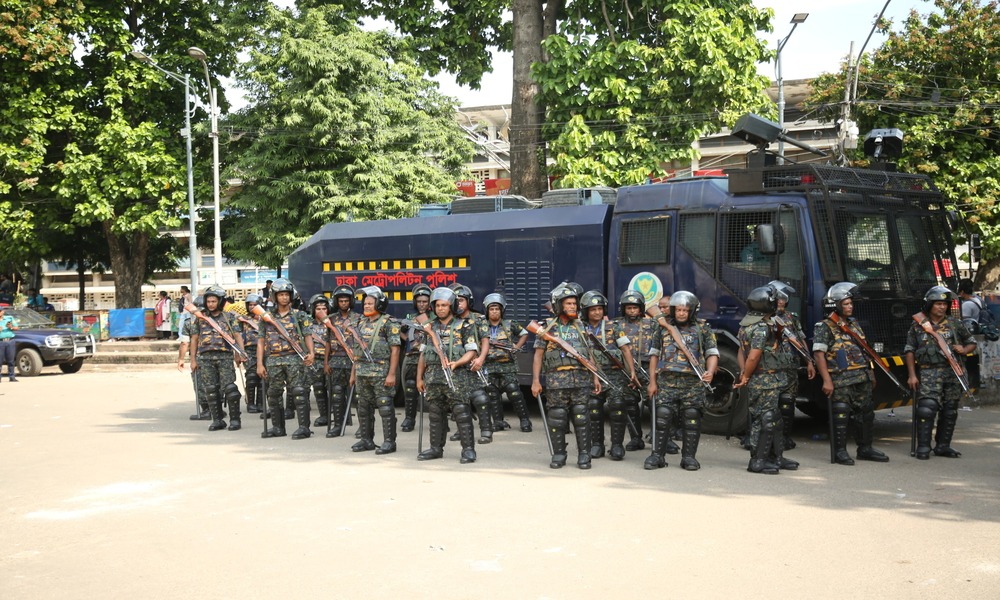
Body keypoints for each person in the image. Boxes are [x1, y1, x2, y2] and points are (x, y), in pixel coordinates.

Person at [812, 282, 890, 465]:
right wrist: (826, 380)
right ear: (835, 305)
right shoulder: (824, 326)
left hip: (861, 375)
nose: (850, 307)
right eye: (846, 304)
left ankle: (865, 448)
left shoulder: (854, 324)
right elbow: (818, 354)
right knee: (841, 414)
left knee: (866, 413)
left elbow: (864, 349)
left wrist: (871, 372)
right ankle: (840, 452)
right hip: (840, 378)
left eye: (851, 304)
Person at [645, 291, 717, 471]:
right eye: (678, 310)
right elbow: (654, 356)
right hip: (667, 381)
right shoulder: (662, 327)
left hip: (693, 384)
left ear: (692, 311)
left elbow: (712, 353)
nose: (682, 313)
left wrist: (710, 371)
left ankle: (689, 458)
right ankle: (657, 456)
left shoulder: (703, 328)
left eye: (685, 310)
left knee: (692, 419)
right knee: (662, 418)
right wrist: (652, 382)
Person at [531, 284, 600, 470]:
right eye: (568, 303)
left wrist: (596, 376)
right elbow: (538, 355)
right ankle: (559, 453)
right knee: (557, 417)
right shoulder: (546, 328)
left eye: (574, 304)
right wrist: (536, 381)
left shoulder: (581, 326)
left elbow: (589, 353)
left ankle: (584, 455)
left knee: (581, 418)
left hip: (581, 380)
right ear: (559, 305)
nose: (573, 307)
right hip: (556, 382)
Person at [905, 286, 976, 460]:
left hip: (953, 373)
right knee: (926, 409)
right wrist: (912, 375)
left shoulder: (955, 324)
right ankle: (923, 446)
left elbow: (972, 342)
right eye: (938, 304)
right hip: (929, 373)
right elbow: (909, 350)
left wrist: (964, 349)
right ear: (930, 305)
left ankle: (943, 446)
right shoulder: (918, 325)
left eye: (945, 304)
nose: (942, 307)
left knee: (950, 410)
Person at [735, 286, 798, 474]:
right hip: (764, 380)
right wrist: (746, 375)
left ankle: (775, 457)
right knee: (765, 419)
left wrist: (743, 372)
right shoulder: (761, 327)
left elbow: (741, 351)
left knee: (774, 418)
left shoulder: (747, 324)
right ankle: (758, 460)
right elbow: (753, 356)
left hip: (770, 378)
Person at [416, 287, 479, 464]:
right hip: (433, 376)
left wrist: (457, 363)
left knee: (461, 412)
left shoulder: (465, 325)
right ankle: (436, 448)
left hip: (456, 376)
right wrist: (419, 378)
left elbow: (472, 351)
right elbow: (423, 353)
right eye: (437, 305)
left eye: (444, 305)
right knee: (435, 413)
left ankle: (468, 450)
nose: (440, 309)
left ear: (451, 306)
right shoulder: (429, 326)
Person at [580, 290, 636, 459]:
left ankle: (617, 445)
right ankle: (597, 445)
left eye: (599, 309)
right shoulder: (580, 328)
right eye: (592, 309)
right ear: (586, 311)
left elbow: (625, 349)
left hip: (614, 374)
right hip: (591, 375)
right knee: (594, 409)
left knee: (618, 407)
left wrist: (631, 371)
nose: (597, 312)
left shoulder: (613, 327)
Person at [258, 278, 315, 439]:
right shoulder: (265, 317)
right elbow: (261, 341)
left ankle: (304, 427)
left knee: (299, 392)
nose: (284, 298)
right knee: (274, 393)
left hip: (294, 359)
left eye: (286, 294)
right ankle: (277, 428)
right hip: (273, 360)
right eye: (280, 295)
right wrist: (260, 364)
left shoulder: (299, 315)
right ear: (274, 296)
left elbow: (308, 335)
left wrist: (311, 353)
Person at [349, 287, 402, 454]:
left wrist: (392, 374)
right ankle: (366, 440)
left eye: (370, 303)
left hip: (381, 372)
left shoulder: (389, 322)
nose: (366, 306)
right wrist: (353, 373)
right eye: (365, 304)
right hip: (362, 371)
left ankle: (389, 442)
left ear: (379, 304)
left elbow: (395, 350)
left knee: (385, 407)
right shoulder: (360, 323)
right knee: (363, 407)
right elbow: (356, 352)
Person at [189, 285, 245, 432]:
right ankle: (217, 420)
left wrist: (240, 354)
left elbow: (237, 336)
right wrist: (193, 360)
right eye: (209, 301)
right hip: (205, 358)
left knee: (230, 389)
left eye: (214, 301)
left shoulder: (229, 317)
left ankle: (234, 420)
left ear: (220, 301)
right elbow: (194, 339)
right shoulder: (201, 318)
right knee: (211, 390)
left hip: (225, 356)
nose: (211, 304)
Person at [768, 280, 816, 450]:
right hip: (771, 370)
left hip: (790, 368)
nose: (781, 302)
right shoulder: (764, 318)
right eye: (778, 298)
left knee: (788, 404)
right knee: (769, 405)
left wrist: (809, 361)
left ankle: (785, 437)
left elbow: (800, 339)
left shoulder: (791, 317)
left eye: (784, 299)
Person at [612, 290, 657, 456]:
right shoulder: (616, 325)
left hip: (647, 367)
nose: (632, 311)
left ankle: (660, 438)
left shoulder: (651, 324)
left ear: (641, 309)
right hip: (626, 370)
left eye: (635, 308)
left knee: (654, 404)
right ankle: (635, 437)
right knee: (629, 404)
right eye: (628, 308)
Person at [482, 293, 533, 432]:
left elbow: (524, 333)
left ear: (502, 310)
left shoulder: (509, 324)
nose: (494, 312)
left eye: (497, 309)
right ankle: (498, 422)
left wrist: (516, 347)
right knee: (492, 394)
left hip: (507, 366)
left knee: (514, 392)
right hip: (489, 366)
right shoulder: (481, 326)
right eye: (491, 309)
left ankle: (525, 421)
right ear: (487, 310)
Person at [454, 284, 494, 443]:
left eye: (461, 301)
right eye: (456, 301)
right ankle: (461, 430)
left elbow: (485, 341)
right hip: (457, 365)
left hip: (474, 364)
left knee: (480, 398)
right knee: (458, 399)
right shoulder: (451, 321)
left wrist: (481, 359)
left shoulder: (478, 319)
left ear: (468, 302)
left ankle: (486, 430)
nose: (459, 304)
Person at [324, 284, 359, 437]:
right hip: (336, 361)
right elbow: (326, 342)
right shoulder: (330, 320)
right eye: (341, 301)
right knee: (337, 394)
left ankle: (363, 427)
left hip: (353, 361)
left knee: (359, 396)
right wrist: (326, 362)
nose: (343, 303)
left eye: (346, 301)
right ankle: (338, 425)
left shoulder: (359, 319)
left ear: (351, 301)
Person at [399, 284, 431, 432]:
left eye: (425, 301)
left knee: (436, 390)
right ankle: (409, 419)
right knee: (411, 388)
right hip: (412, 356)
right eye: (419, 302)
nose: (422, 304)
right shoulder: (409, 317)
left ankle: (440, 422)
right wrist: (408, 339)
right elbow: (398, 331)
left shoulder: (435, 317)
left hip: (431, 358)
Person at [178, 296, 210, 420]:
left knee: (200, 384)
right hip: (216, 356)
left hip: (198, 358)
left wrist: (181, 359)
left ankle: (206, 410)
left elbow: (185, 342)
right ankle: (217, 410)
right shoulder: (215, 320)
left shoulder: (189, 323)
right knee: (214, 383)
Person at [305, 294, 332, 428]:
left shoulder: (333, 323)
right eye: (318, 309)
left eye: (324, 308)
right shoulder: (308, 323)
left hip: (331, 360)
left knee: (336, 390)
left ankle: (341, 417)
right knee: (319, 389)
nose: (321, 311)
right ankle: (324, 416)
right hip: (315, 360)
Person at [240, 294, 264, 414]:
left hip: (264, 350)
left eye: (255, 305)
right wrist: (239, 352)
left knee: (262, 378)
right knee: (251, 377)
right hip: (249, 350)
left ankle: (261, 403)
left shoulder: (265, 319)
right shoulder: (242, 319)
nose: (252, 307)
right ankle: (251, 403)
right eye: (250, 305)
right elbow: (237, 336)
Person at [0, 306, 18, 382]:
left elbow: (17, 328)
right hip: (1, 341)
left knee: (11, 360)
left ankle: (12, 376)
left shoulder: (9, 318)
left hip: (10, 341)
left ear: (3, 311)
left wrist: (11, 327)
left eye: (0, 311)